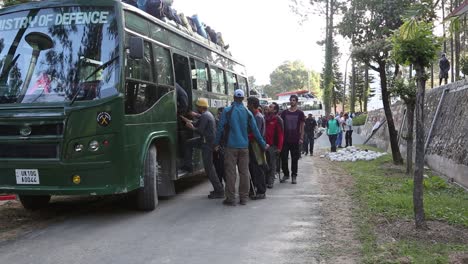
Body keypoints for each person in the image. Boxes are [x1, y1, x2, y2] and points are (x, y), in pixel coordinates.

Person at [214, 89, 268, 206]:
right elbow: (256, 131)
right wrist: (263, 144)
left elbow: (220, 129)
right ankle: (243, 198)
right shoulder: (247, 112)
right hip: (244, 147)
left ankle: (231, 198)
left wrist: (216, 143)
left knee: (231, 173)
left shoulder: (227, 111)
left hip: (231, 146)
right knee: (244, 172)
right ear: (243, 99)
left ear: (233, 98)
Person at [181, 98, 224, 199]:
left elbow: (199, 130)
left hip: (207, 144)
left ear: (200, 107)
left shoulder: (205, 116)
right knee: (188, 144)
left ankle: (219, 190)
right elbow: (198, 124)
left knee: (209, 168)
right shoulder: (207, 114)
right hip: (206, 141)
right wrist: (188, 120)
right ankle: (188, 165)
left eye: (197, 107)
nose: (196, 109)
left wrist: (191, 127)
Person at [280, 95, 305, 184]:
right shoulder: (284, 113)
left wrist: (301, 137)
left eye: (293, 100)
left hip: (295, 139)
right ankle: (286, 174)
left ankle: (294, 176)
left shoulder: (300, 113)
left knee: (295, 159)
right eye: (291, 100)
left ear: (296, 102)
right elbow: (280, 125)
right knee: (284, 158)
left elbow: (302, 126)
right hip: (285, 139)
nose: (292, 101)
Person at [247, 96, 267, 200]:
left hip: (256, 145)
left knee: (258, 168)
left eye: (248, 104)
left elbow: (256, 134)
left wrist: (245, 136)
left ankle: (261, 191)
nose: (247, 106)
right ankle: (255, 189)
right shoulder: (253, 115)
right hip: (252, 144)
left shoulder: (258, 117)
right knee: (253, 168)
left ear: (251, 105)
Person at [264, 102, 284, 189]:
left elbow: (280, 134)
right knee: (265, 164)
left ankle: (270, 181)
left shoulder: (278, 119)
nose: (269, 107)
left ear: (275, 110)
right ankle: (265, 180)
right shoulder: (265, 118)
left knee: (272, 164)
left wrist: (279, 147)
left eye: (271, 107)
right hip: (264, 145)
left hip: (273, 145)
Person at [213, 107, 225, 186]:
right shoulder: (218, 122)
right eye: (218, 113)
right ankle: (220, 185)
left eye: (220, 113)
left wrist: (218, 146)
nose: (218, 115)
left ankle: (221, 188)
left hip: (222, 149)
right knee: (218, 168)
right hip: (219, 148)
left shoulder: (224, 124)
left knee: (221, 169)